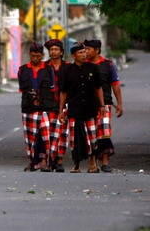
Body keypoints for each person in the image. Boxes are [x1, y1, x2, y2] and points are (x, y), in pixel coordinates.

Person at [58, 42, 105, 173]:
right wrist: (61, 110)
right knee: (75, 139)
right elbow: (63, 92)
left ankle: (92, 163)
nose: (84, 55)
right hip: (74, 109)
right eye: (80, 53)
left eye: (85, 52)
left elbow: (98, 88)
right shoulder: (67, 70)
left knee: (92, 137)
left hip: (91, 108)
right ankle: (76, 164)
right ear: (73, 55)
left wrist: (102, 105)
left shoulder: (93, 68)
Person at [84, 39, 124, 173]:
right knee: (91, 134)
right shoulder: (83, 65)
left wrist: (119, 104)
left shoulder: (108, 65)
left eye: (89, 49)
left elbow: (116, 85)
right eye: (85, 49)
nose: (86, 52)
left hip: (105, 104)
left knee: (104, 132)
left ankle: (105, 162)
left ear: (97, 50)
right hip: (87, 105)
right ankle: (93, 161)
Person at [18, 43, 55, 171]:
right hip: (28, 108)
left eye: (38, 56)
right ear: (30, 55)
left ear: (42, 55)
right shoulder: (23, 69)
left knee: (45, 136)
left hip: (45, 108)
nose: (35, 58)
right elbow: (23, 89)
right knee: (30, 137)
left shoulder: (48, 69)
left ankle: (45, 161)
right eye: (33, 55)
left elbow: (52, 88)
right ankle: (33, 161)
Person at [44, 39, 69, 172]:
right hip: (47, 105)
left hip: (64, 105)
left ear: (61, 52)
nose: (53, 52)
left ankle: (59, 160)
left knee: (62, 134)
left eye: (56, 49)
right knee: (48, 134)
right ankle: (49, 160)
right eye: (51, 50)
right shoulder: (44, 67)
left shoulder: (68, 67)